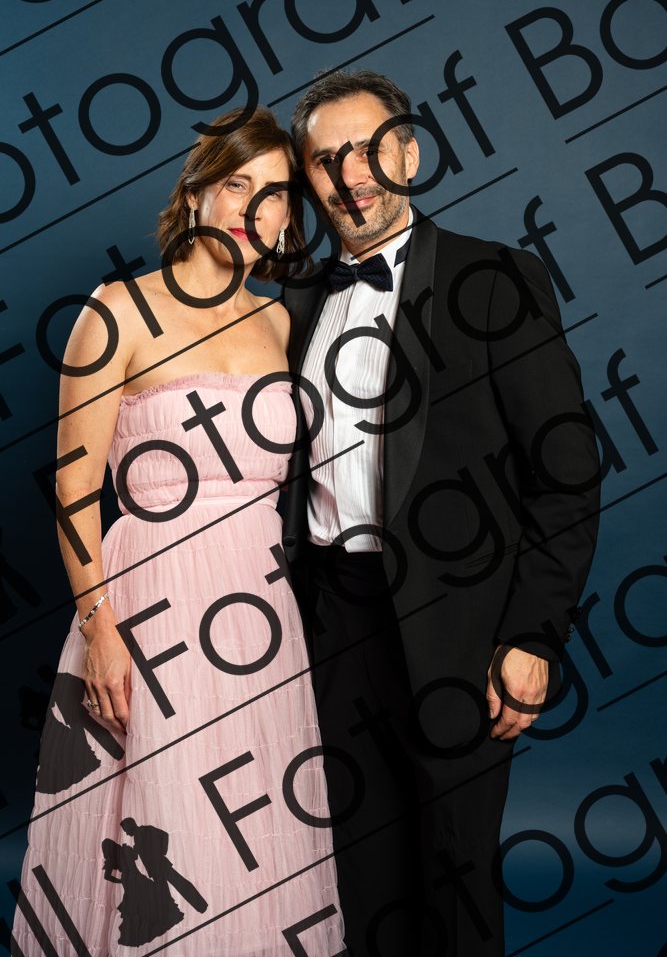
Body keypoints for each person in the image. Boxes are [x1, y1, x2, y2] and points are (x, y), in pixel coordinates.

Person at [12, 107, 345, 956]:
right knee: (159, 825)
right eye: (237, 183)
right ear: (195, 192)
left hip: (258, 611)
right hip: (148, 605)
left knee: (255, 816)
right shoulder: (118, 311)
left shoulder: (280, 322)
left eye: (275, 194)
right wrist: (101, 631)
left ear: (289, 217)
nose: (253, 208)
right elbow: (74, 490)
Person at [282, 70, 601, 956]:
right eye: (326, 160)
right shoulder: (296, 301)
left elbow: (567, 474)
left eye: (368, 149)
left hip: (458, 628)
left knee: (452, 873)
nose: (350, 175)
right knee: (356, 871)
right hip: (329, 623)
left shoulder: (494, 278)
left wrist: (534, 635)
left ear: (411, 153)